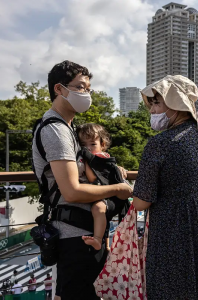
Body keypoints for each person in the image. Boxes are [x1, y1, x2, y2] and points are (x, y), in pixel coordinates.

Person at [32, 60, 132, 300]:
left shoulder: (68, 128)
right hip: (75, 236)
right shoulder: (55, 130)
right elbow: (72, 191)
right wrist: (118, 187)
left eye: (88, 88)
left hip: (83, 232)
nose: (86, 94)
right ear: (59, 89)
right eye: (79, 87)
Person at [131, 75, 198, 299]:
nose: (152, 110)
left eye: (157, 103)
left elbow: (140, 202)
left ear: (175, 104)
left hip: (173, 232)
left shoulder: (160, 144)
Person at [77, 123, 112, 251]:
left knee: (99, 209)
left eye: (92, 144)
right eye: (83, 145)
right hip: (96, 192)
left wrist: (86, 162)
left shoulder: (100, 158)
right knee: (103, 217)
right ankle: (106, 244)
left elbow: (92, 178)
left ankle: (98, 239)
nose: (88, 148)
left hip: (101, 192)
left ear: (102, 145)